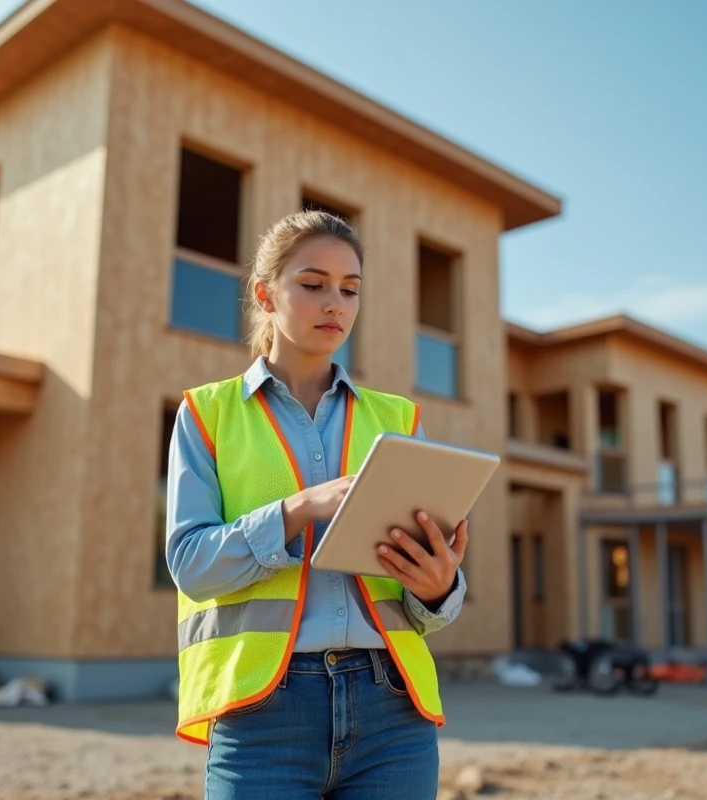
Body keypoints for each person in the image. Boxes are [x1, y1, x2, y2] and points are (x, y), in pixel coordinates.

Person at [165, 210, 468, 798]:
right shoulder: (206, 414)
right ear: (265, 294)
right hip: (261, 714)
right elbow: (192, 566)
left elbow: (430, 609)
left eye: (350, 289)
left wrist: (438, 586)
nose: (336, 303)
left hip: (393, 712)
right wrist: (298, 508)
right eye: (313, 284)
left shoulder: (400, 420)